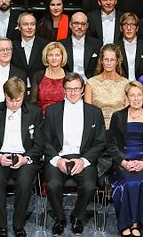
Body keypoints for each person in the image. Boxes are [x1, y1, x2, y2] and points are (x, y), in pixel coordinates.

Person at [44, 73, 107, 236]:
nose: (73, 93)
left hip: (83, 158)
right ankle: (59, 218)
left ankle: (77, 216)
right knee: (52, 185)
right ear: (63, 90)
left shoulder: (94, 112)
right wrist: (57, 160)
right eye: (69, 89)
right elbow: (45, 140)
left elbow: (100, 142)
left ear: (83, 90)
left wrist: (84, 160)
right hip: (58, 158)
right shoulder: (52, 111)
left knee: (89, 186)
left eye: (76, 89)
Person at [0, 77, 45, 237]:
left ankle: (18, 224)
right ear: (4, 95)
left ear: (24, 95)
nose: (13, 104)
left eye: (17, 100)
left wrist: (25, 158)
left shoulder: (34, 112)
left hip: (25, 157)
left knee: (25, 182)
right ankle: (1, 226)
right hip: (0, 156)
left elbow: (39, 144)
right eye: (9, 100)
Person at [107, 81, 143, 236]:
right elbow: (111, 145)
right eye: (132, 95)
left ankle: (136, 223)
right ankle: (125, 223)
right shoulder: (117, 117)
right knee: (127, 183)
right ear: (127, 98)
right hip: (122, 161)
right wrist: (123, 162)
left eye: (139, 95)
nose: (136, 99)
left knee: (140, 182)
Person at [85, 43, 129, 128]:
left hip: (118, 128)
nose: (109, 63)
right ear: (101, 61)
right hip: (96, 128)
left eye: (112, 60)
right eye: (106, 59)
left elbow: (127, 113)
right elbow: (88, 112)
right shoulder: (91, 83)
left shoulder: (126, 84)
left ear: (117, 61)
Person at [30, 41, 68, 115]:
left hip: (63, 116)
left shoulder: (68, 76)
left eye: (57, 55)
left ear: (62, 57)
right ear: (46, 57)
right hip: (42, 118)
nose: (54, 58)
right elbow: (33, 102)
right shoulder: (38, 76)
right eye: (50, 55)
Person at [60, 11, 102, 79]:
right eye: (76, 23)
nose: (79, 27)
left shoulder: (97, 44)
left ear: (87, 26)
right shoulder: (61, 45)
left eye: (83, 24)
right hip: (67, 83)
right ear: (70, 25)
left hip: (90, 83)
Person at [12, 12, 49, 83]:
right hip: (18, 88)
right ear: (19, 27)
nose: (29, 27)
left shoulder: (46, 45)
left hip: (40, 87)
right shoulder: (12, 46)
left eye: (32, 24)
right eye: (25, 24)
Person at [117, 12, 143, 81]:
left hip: (141, 85)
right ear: (121, 28)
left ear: (137, 28)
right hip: (120, 85)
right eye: (125, 25)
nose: (129, 28)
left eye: (132, 24)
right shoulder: (115, 47)